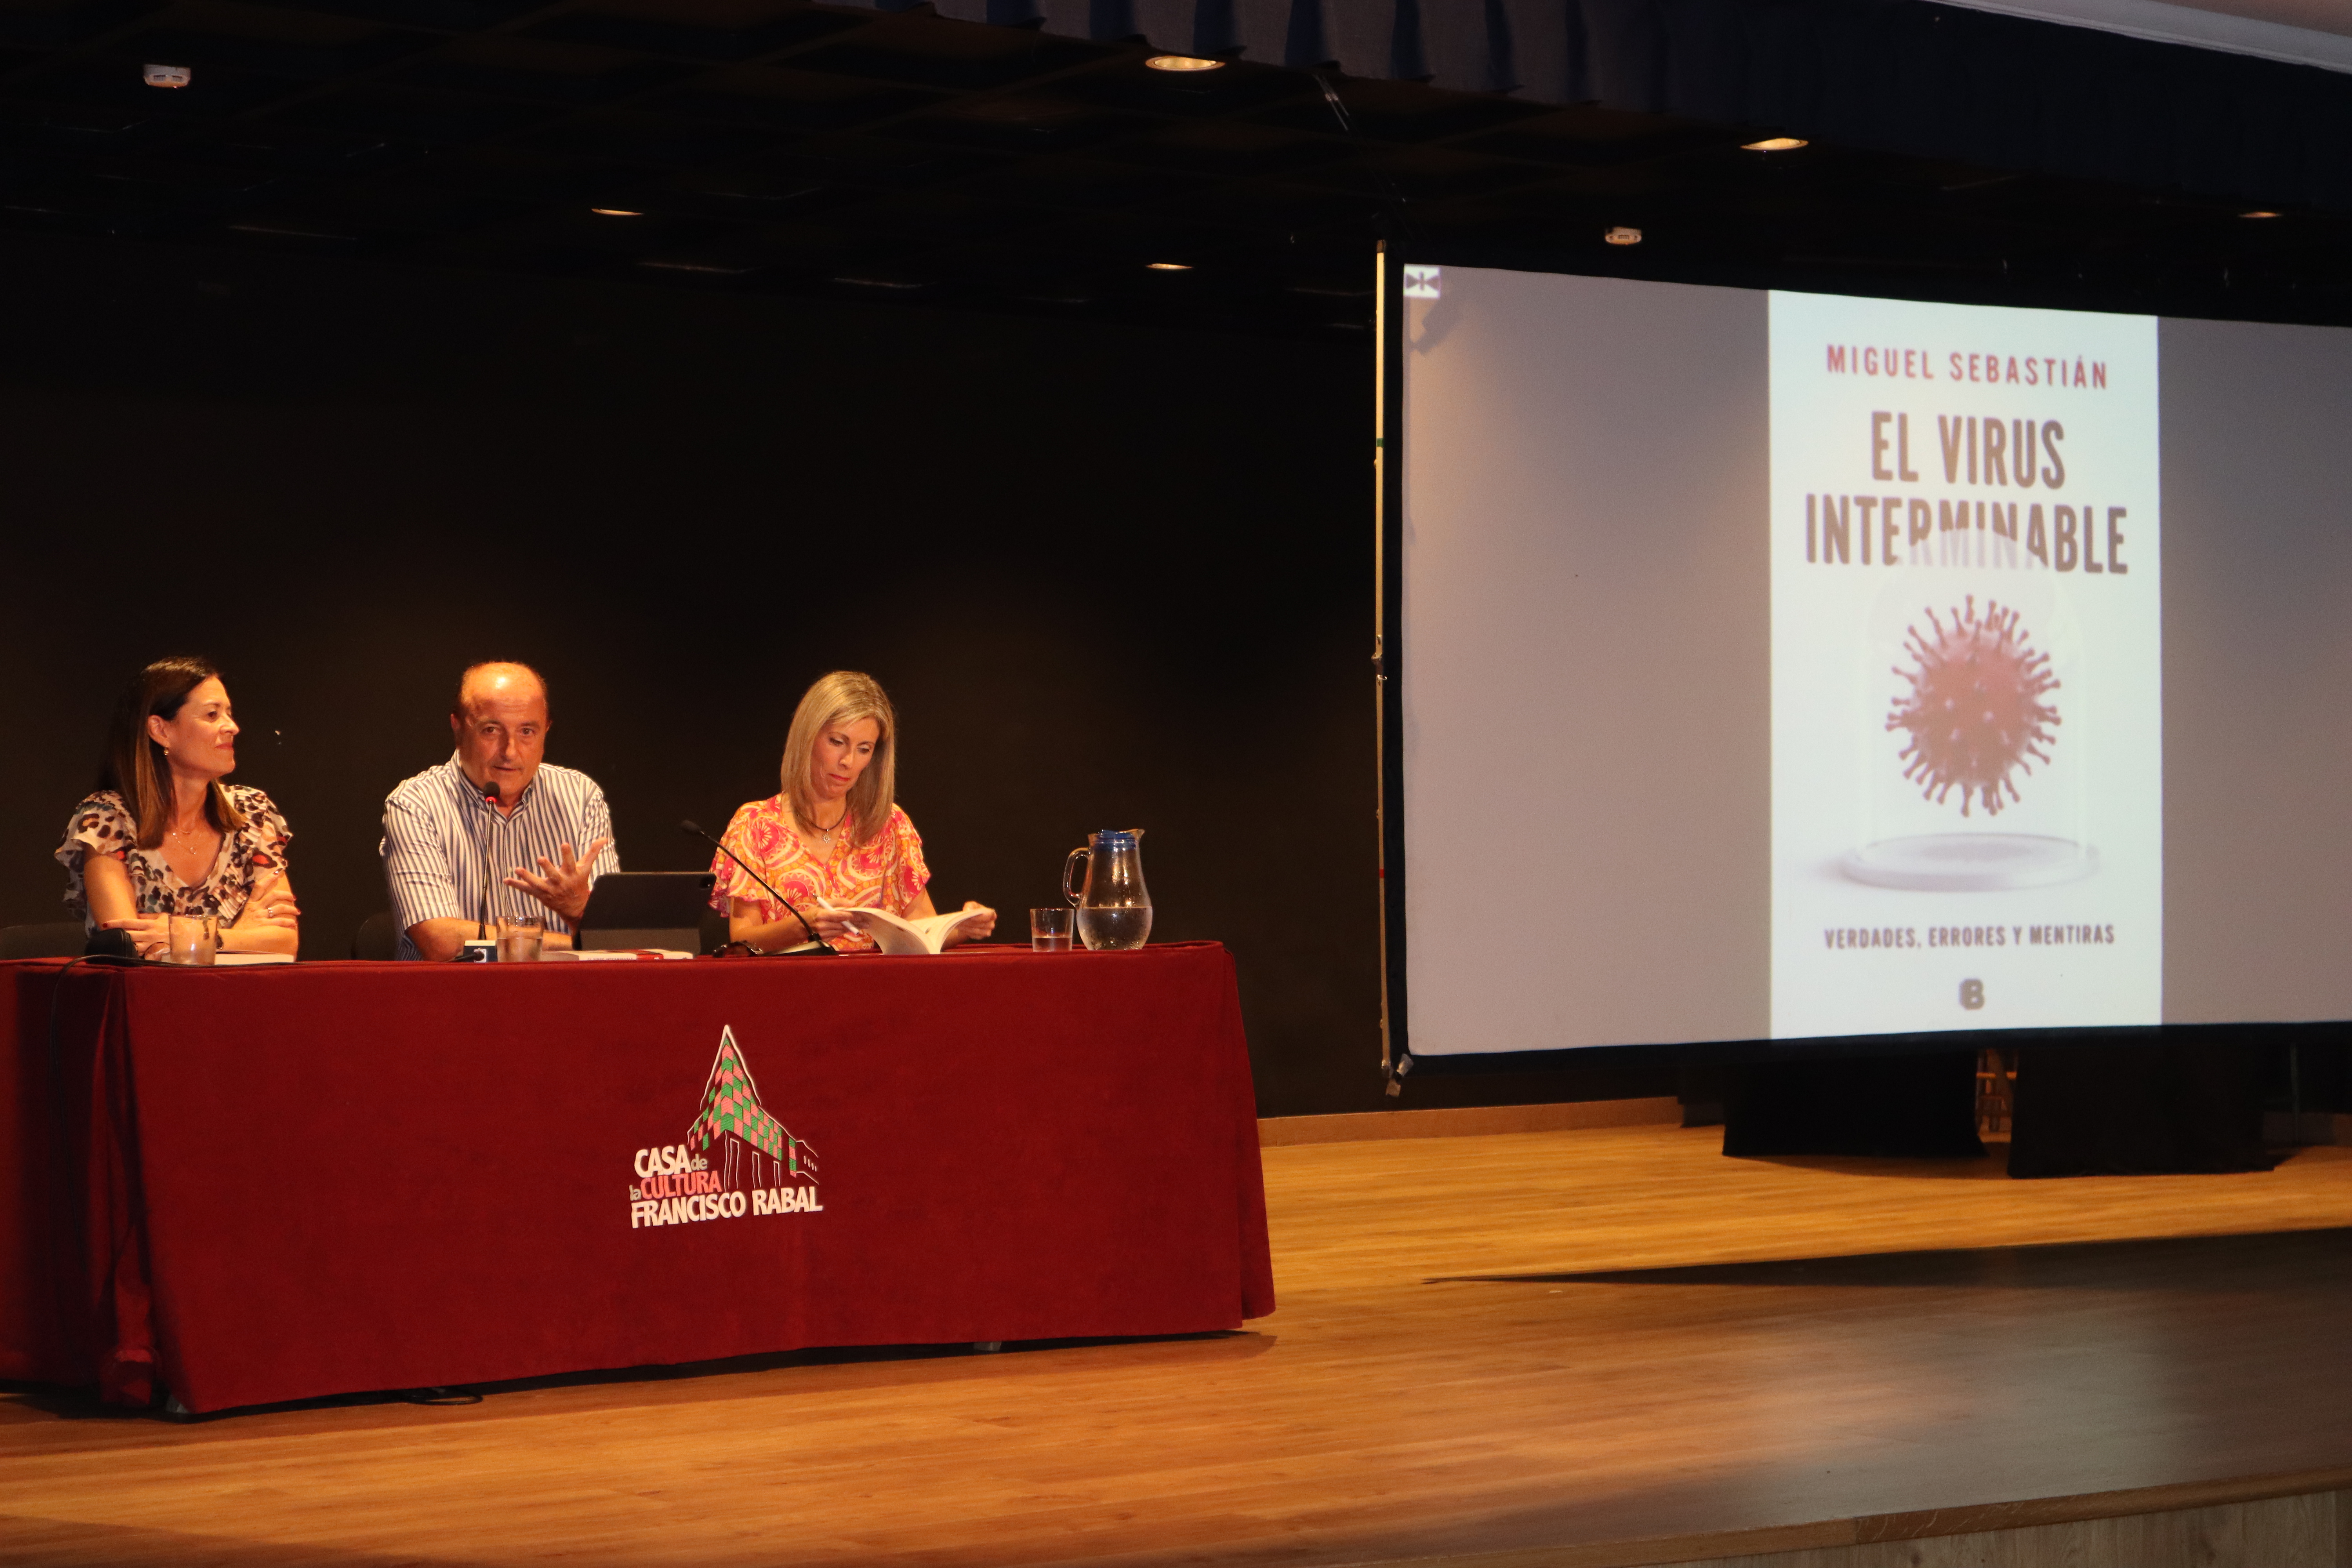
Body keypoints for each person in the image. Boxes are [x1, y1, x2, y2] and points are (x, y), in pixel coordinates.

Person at [710, 670, 994, 952]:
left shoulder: (890, 824)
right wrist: (805, 926)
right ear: (807, 737)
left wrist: (961, 927)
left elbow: (922, 933)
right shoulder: (755, 824)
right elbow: (741, 943)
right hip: (787, 981)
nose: (848, 761)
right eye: (837, 742)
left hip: (872, 982)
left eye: (864, 749)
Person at [55, 657, 300, 958]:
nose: (233, 727)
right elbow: (132, 946)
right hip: (145, 989)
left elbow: (285, 942)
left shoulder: (252, 813)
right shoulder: (107, 819)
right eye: (212, 715)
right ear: (161, 730)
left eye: (229, 714)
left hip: (241, 988)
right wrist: (246, 935)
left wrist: (192, 935)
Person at [381, 661, 617, 961]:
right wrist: (580, 943)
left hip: (563, 988)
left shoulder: (581, 798)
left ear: (546, 731)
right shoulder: (416, 804)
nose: (510, 751)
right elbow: (441, 942)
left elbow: (617, 937)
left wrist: (578, 910)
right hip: (458, 989)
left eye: (527, 731)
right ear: (458, 727)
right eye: (491, 730)